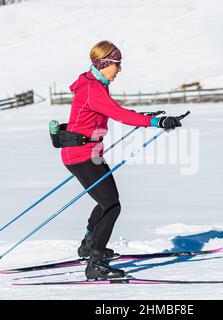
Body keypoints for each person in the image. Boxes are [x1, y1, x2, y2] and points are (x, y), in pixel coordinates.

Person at [62, 40, 183, 280]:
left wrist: (143, 117)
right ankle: (95, 262)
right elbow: (118, 114)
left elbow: (114, 112)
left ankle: (89, 244)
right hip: (81, 156)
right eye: (117, 64)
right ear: (105, 63)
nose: (120, 69)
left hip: (89, 154)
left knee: (107, 201)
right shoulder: (92, 89)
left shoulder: (93, 85)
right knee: (112, 205)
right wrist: (155, 122)